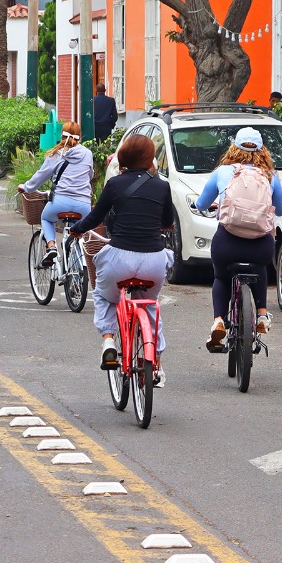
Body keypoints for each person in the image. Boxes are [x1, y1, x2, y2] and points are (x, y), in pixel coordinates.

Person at [70, 134, 175, 387]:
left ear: (123, 157)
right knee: (149, 305)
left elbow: (96, 217)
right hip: (153, 261)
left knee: (104, 295)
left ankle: (108, 340)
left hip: (120, 259)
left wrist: (77, 229)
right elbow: (167, 222)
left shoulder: (115, 184)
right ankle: (155, 361)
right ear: (150, 158)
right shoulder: (162, 186)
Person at [194, 128, 282, 350]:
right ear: (262, 150)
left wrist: (209, 205)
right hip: (260, 245)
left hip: (228, 243)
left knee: (221, 277)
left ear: (234, 148)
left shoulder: (222, 172)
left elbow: (201, 204)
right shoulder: (270, 176)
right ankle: (262, 314)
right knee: (260, 269)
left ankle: (219, 320)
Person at [19, 121, 94, 266]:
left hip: (60, 201)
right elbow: (89, 175)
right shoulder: (88, 154)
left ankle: (51, 246)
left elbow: (41, 176)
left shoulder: (57, 154)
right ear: (80, 137)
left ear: (62, 135)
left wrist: (26, 187)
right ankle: (79, 266)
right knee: (79, 232)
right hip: (84, 204)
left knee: (46, 218)